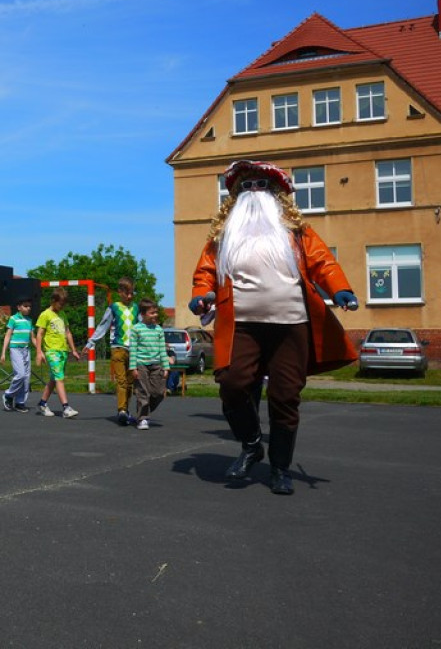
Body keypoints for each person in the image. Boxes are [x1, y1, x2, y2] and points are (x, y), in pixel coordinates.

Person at [189, 159, 359, 495]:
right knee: (233, 384)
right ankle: (252, 444)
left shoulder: (296, 232)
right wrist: (200, 296)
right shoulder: (224, 237)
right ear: (236, 195)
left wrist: (340, 289)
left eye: (261, 185)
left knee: (285, 396)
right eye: (246, 186)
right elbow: (205, 273)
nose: (254, 192)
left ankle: (280, 468)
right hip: (243, 326)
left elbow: (323, 262)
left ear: (276, 193)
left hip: (290, 324)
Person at [84, 277, 139, 425]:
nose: (129, 296)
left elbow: (142, 328)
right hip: (118, 349)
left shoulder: (136, 308)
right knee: (121, 381)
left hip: (133, 351)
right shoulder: (114, 307)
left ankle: (126, 410)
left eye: (132, 293)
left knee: (129, 383)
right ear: (120, 292)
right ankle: (121, 410)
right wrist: (91, 342)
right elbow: (103, 326)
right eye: (126, 293)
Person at [34, 287, 81, 418]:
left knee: (54, 379)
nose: (62, 306)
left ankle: (42, 403)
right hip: (51, 351)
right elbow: (39, 334)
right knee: (59, 378)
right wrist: (39, 352)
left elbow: (68, 332)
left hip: (63, 351)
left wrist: (73, 350)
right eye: (60, 304)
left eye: (64, 304)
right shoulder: (45, 315)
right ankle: (66, 408)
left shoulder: (62, 314)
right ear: (53, 301)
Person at [128, 299, 170, 431]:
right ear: (143, 314)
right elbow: (133, 349)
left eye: (156, 312)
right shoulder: (136, 329)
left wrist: (166, 366)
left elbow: (162, 350)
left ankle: (143, 409)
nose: (155, 315)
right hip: (141, 365)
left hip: (156, 365)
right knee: (143, 392)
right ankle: (143, 418)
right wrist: (133, 367)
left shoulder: (158, 330)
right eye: (152, 313)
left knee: (158, 393)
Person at [0, 298, 37, 412]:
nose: (28, 308)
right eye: (26, 306)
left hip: (26, 350)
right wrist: (3, 353)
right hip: (15, 349)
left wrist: (40, 351)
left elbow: (33, 338)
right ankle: (8, 395)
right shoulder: (13, 319)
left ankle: (20, 402)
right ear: (19, 307)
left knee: (26, 378)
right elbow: (7, 336)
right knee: (20, 374)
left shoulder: (29, 320)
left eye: (29, 306)